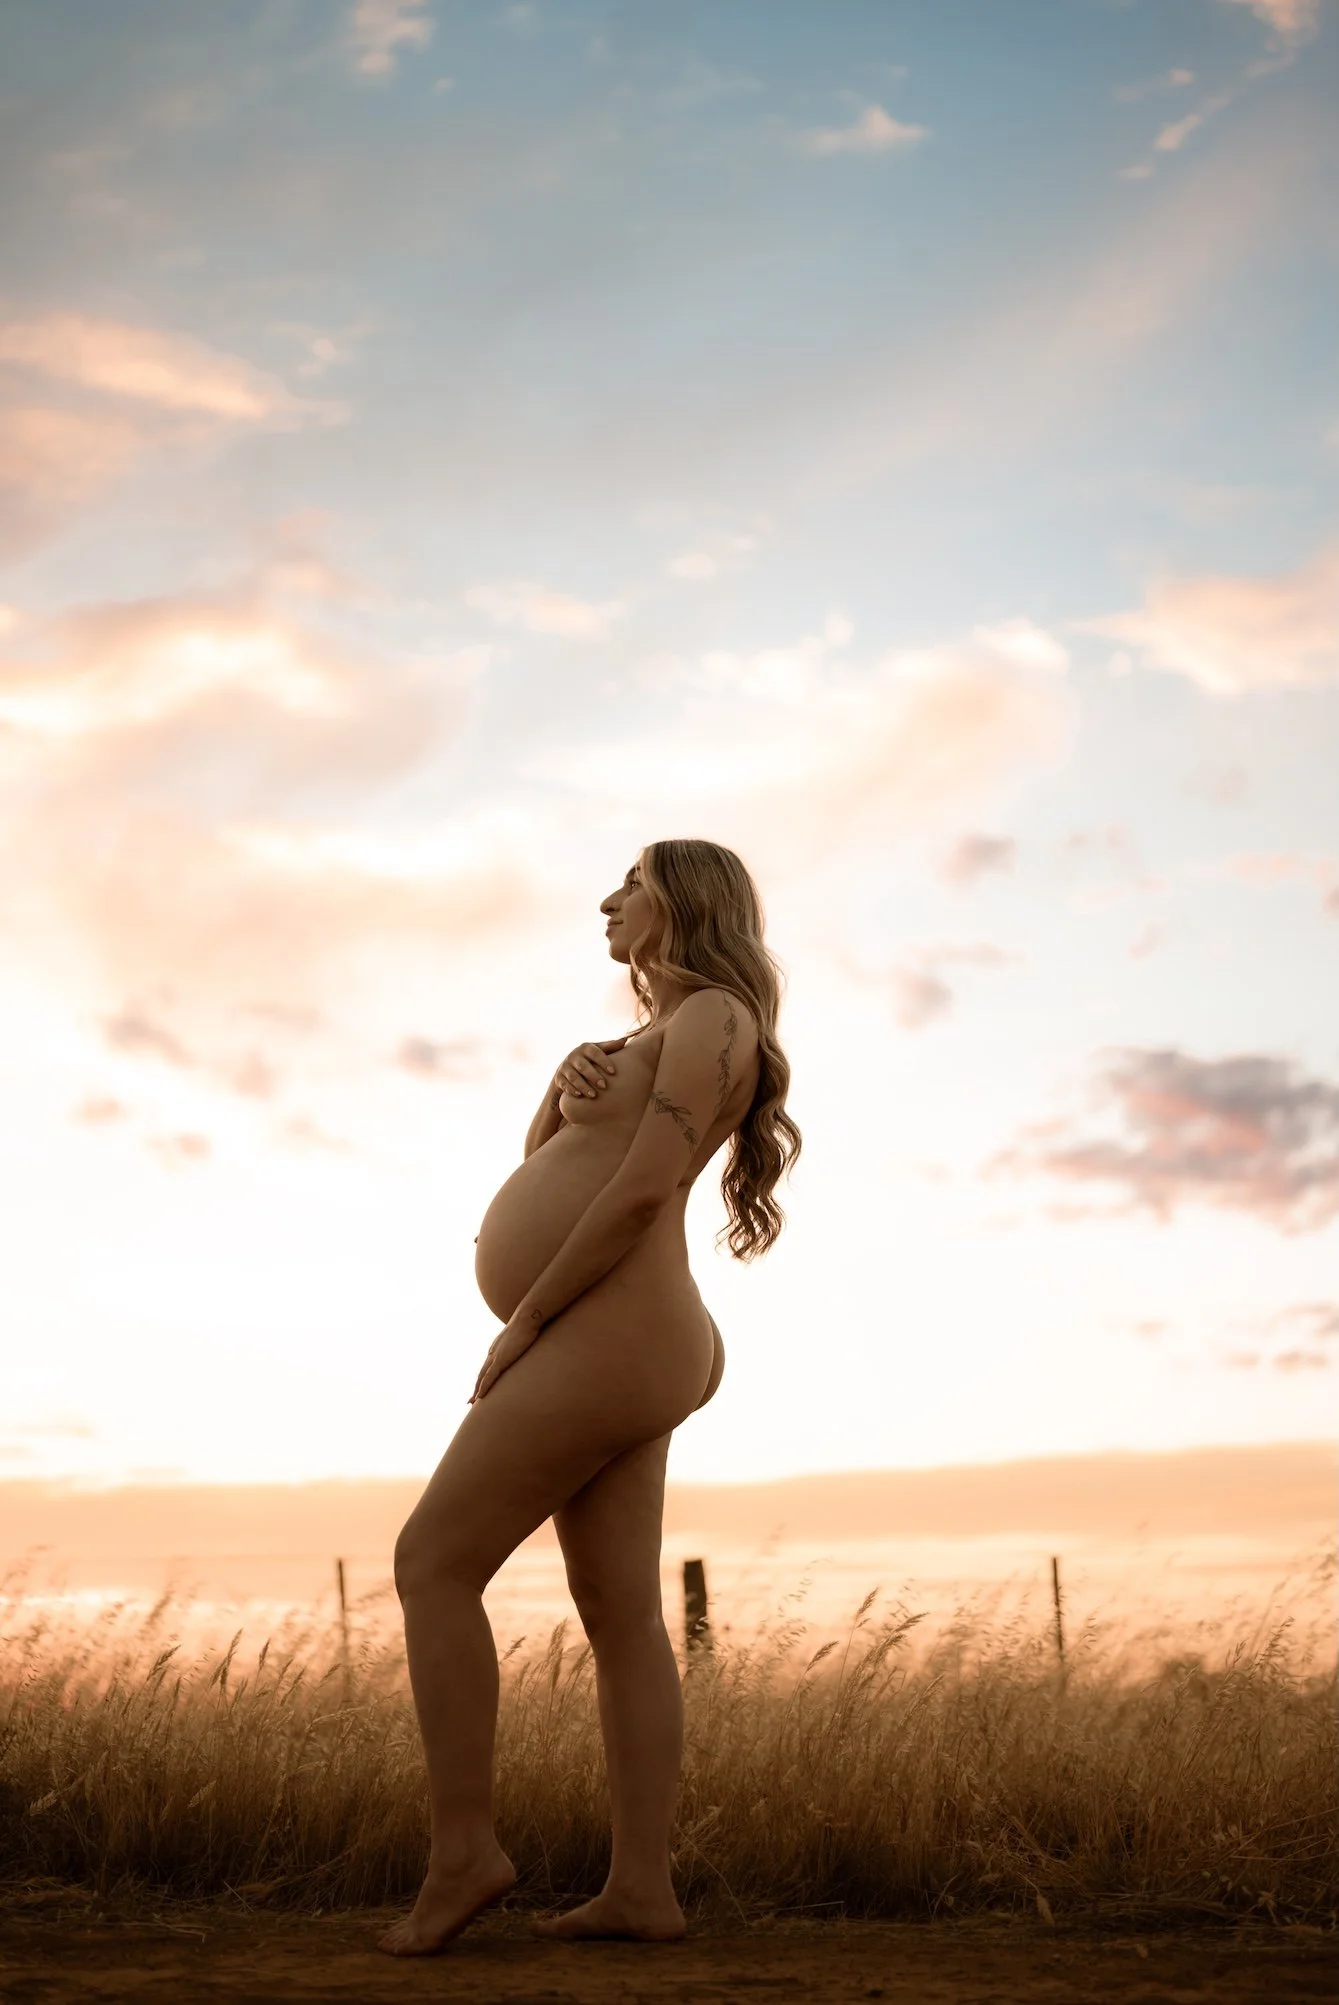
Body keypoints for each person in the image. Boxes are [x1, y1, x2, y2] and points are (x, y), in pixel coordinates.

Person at [378, 837, 801, 1955]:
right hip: (617, 1332)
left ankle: (464, 1852)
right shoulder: (643, 1036)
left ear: (685, 902)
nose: (608, 900)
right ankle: (641, 1890)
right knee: (619, 1613)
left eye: (631, 882)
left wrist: (526, 1320)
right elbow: (549, 1169)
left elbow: (641, 1191)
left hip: (617, 1328)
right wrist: (555, 1089)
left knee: (431, 1562)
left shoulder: (713, 1017)